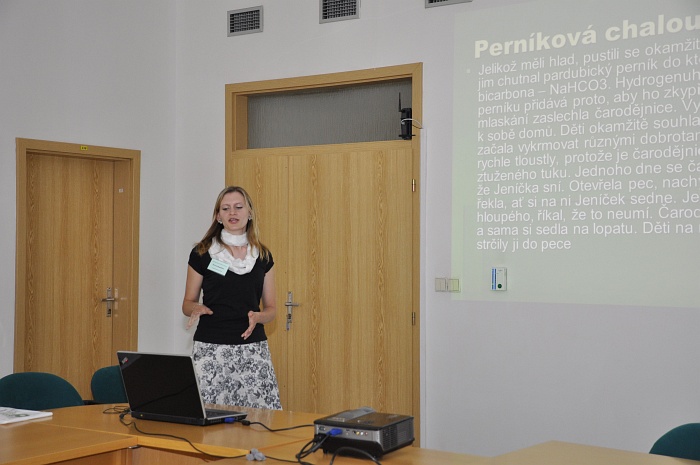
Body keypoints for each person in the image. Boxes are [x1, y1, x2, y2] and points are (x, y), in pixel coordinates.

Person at [182, 186, 282, 410]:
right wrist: (196, 308)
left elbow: (271, 309)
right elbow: (187, 303)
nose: (232, 213)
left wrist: (259, 317)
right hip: (211, 348)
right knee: (209, 416)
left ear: (250, 212)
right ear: (218, 216)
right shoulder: (202, 253)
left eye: (238, 207)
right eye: (225, 208)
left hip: (252, 349)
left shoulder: (263, 256)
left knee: (259, 419)